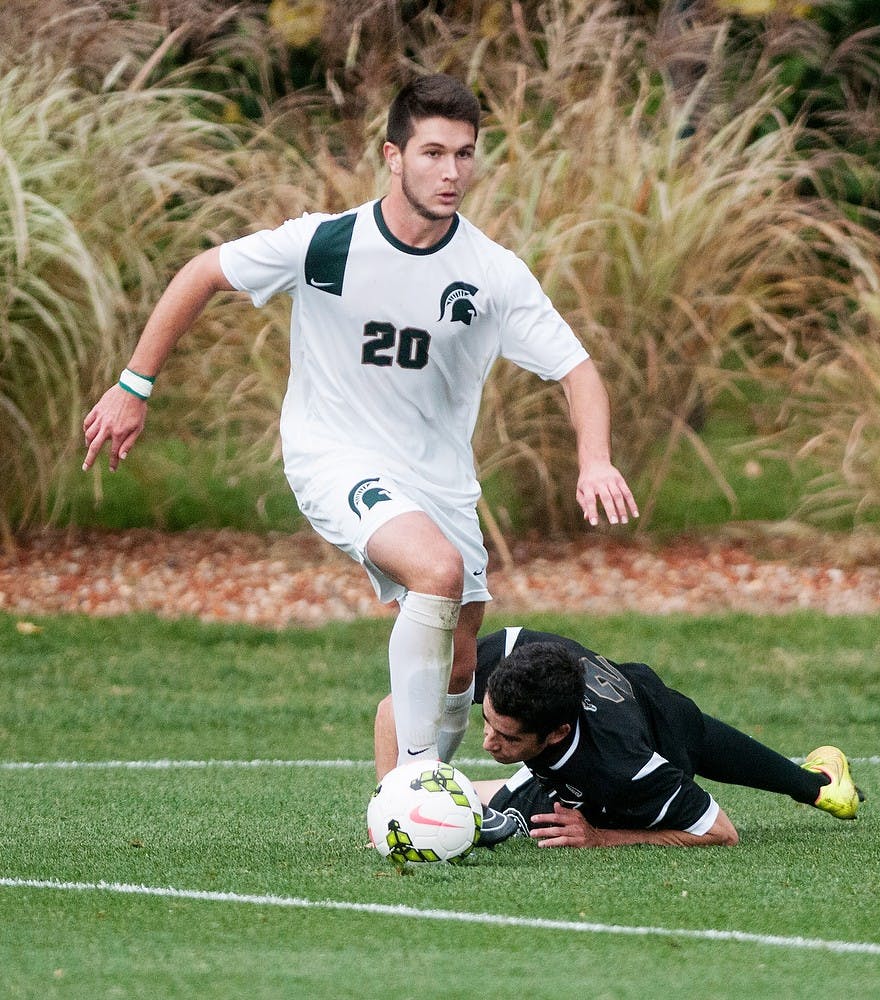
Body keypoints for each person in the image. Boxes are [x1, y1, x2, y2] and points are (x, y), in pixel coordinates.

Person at [81, 75, 638, 829]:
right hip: (333, 454)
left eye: (464, 155)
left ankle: (430, 806)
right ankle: (408, 796)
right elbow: (204, 273)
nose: (450, 172)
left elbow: (576, 370)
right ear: (392, 156)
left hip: (438, 480)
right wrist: (132, 385)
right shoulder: (327, 242)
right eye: (433, 152)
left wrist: (594, 459)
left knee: (463, 652)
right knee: (434, 574)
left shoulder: (491, 273)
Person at [375, 627, 864, 848]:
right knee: (483, 806)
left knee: (812, 789)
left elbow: (721, 833)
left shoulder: (623, 767)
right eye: (486, 721)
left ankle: (823, 781)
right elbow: (392, 709)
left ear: (555, 734)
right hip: (597, 726)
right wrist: (391, 802)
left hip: (666, 732)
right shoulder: (514, 657)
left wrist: (601, 838)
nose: (486, 742)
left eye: (504, 736)